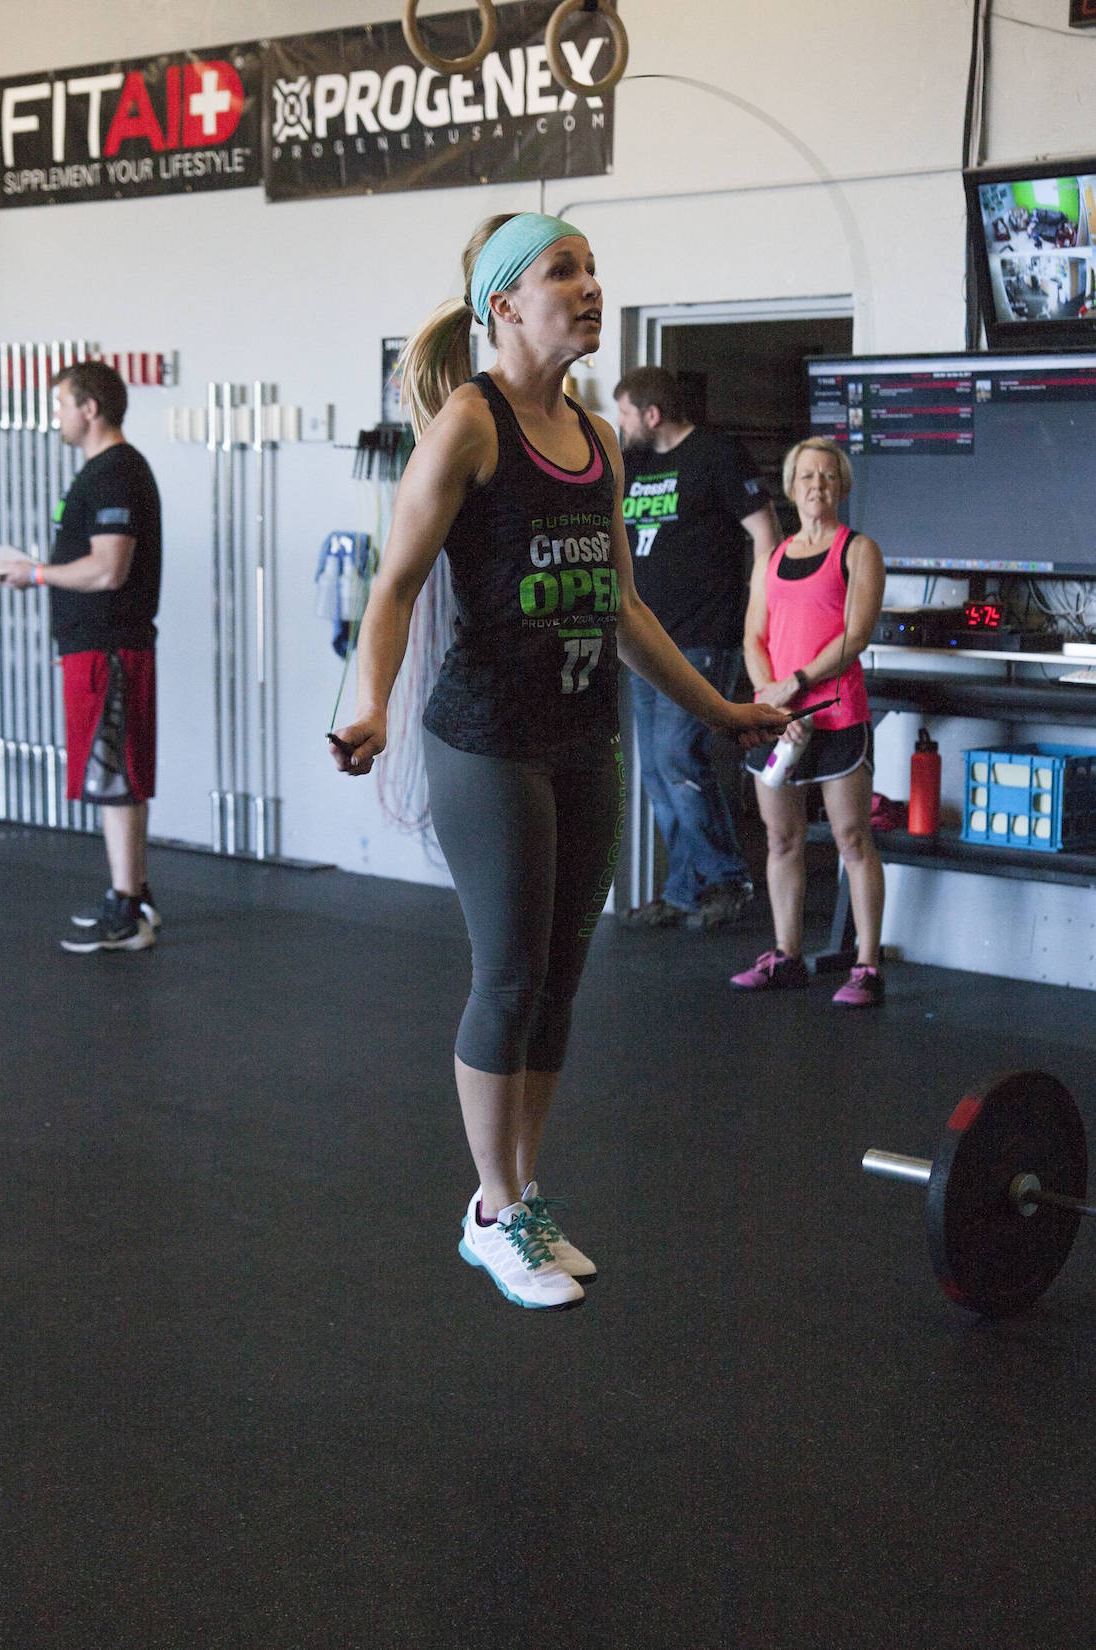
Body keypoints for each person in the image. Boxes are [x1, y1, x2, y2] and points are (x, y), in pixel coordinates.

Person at [327, 212, 791, 1311]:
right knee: (507, 976)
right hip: (485, 738)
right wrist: (370, 702)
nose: (588, 288)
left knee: (562, 981)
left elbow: (623, 607)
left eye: (590, 270)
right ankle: (491, 1211)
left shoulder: (598, 434)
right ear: (504, 305)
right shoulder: (468, 426)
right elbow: (394, 585)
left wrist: (724, 708)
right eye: (561, 273)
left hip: (583, 734)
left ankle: (522, 1194)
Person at [0, 361, 162, 953]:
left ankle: (129, 913)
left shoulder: (116, 473)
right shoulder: (104, 472)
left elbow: (109, 568)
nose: (57, 417)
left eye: (62, 404)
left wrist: (33, 572)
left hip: (109, 646)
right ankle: (132, 896)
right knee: (117, 774)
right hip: (95, 644)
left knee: (113, 776)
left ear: (89, 408)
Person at [613, 366, 781, 929]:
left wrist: (761, 615)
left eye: (625, 413)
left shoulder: (716, 455)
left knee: (679, 758)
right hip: (643, 642)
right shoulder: (632, 464)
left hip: (703, 637)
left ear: (652, 414)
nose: (620, 425)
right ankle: (685, 891)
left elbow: (766, 535)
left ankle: (728, 879)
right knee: (659, 773)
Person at [731, 435, 887, 1007]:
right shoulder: (772, 557)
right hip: (778, 719)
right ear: (792, 488)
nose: (816, 485)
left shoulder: (858, 551)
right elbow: (753, 635)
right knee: (781, 838)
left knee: (852, 838)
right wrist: (773, 707)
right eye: (806, 477)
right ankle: (786, 955)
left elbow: (855, 635)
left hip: (836, 714)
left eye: (827, 477)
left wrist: (795, 687)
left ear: (841, 488)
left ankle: (867, 966)